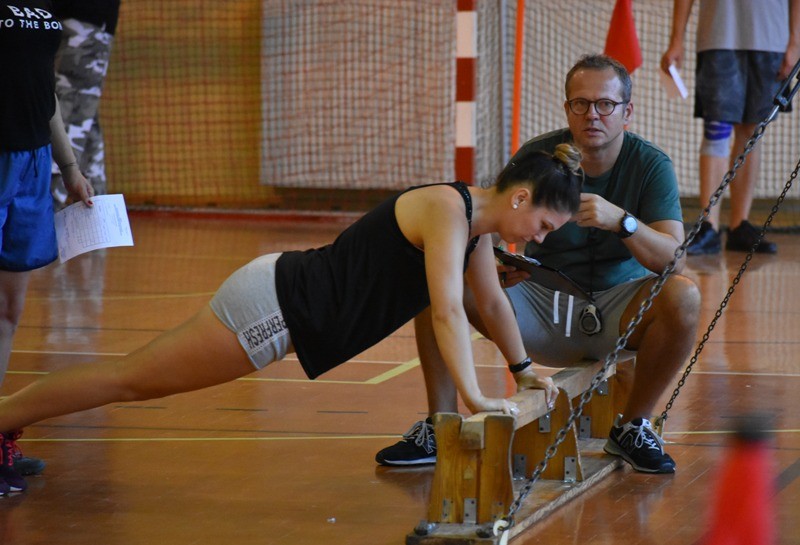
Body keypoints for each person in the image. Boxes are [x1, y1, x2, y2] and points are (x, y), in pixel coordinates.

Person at [0, 143, 585, 494]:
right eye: (544, 226)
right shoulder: (446, 211)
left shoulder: (474, 230)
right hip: (272, 308)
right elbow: (449, 311)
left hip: (285, 302)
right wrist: (477, 398)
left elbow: (490, 304)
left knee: (128, 379)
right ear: (519, 199)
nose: (539, 239)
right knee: (129, 380)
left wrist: (525, 368)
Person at [375, 54, 702, 474]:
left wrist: (622, 222)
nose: (593, 115)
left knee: (685, 296)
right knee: (436, 280)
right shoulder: (537, 156)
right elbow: (483, 221)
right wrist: (491, 267)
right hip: (542, 304)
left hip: (620, 312)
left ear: (627, 112)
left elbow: (675, 260)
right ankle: (440, 424)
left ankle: (632, 427)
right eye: (580, 104)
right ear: (567, 109)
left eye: (605, 104)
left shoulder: (651, 164)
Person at [0, 1, 95, 487]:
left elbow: (45, 88)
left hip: (33, 161)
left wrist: (71, 167)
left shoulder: (45, 5)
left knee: (7, 311)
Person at [660, 0, 800, 255]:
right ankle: (708, 226)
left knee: (752, 133)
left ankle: (740, 225)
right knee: (716, 129)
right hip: (717, 37)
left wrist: (795, 41)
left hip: (771, 40)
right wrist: (676, 39)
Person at [51, 0, 122, 204]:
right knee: (84, 121)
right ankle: (101, 226)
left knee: (69, 117)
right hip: (58, 19)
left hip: (84, 22)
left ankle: (49, 212)